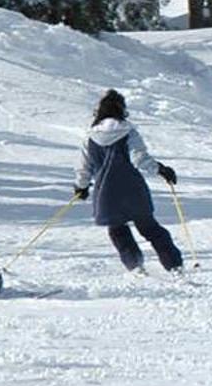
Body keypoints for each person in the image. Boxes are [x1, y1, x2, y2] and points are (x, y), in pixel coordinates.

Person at [72, 90, 183, 273]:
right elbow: (139, 159)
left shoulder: (90, 137)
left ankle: (136, 267)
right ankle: (174, 266)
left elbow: (85, 167)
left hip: (106, 194)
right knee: (151, 228)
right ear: (121, 109)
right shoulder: (128, 131)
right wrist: (161, 169)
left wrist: (81, 187)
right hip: (133, 190)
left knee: (117, 230)